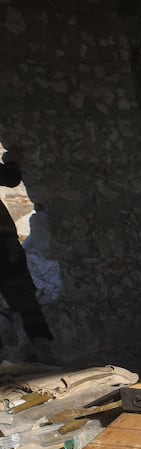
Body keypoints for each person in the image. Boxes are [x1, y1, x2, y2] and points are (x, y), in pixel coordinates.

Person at [0, 149, 55, 363]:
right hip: (3, 240)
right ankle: (42, 344)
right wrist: (12, 161)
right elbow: (11, 179)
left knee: (21, 292)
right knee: (22, 292)